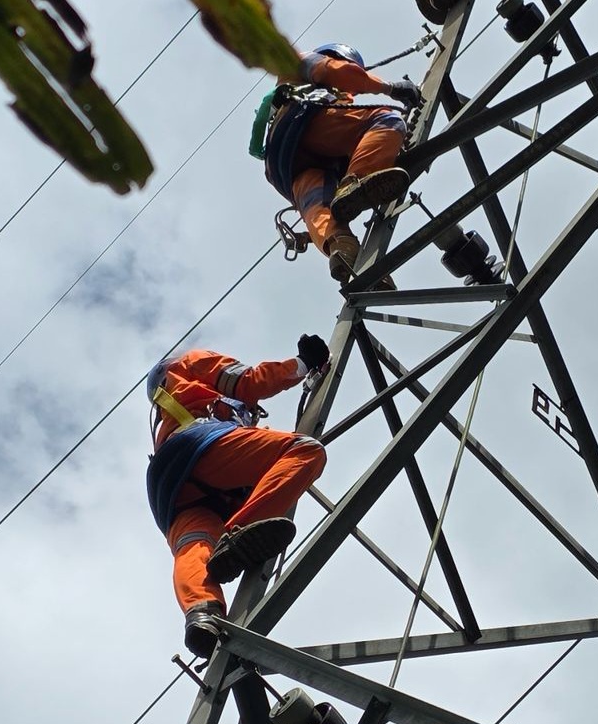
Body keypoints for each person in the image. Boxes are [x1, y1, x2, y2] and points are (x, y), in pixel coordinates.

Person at [144, 335, 330, 659]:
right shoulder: (189, 362)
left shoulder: (167, 414)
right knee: (304, 451)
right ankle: (238, 534)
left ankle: (203, 613)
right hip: (201, 448)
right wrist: (302, 363)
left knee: (195, 544)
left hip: (171, 485)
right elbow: (248, 382)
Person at [253, 43, 423, 287]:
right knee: (387, 120)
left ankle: (344, 250)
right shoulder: (305, 61)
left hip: (283, 164)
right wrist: (391, 88)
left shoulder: (285, 89)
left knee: (318, 206)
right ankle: (356, 181)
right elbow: (340, 73)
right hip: (305, 121)